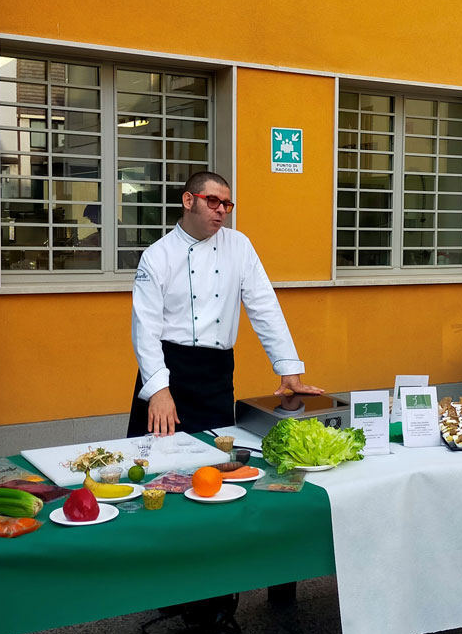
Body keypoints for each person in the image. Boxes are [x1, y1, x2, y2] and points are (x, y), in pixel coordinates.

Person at [128, 171, 324, 436]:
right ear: (188, 201)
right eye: (212, 201)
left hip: (217, 374)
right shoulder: (157, 256)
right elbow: (145, 330)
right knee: (157, 463)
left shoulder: (239, 246)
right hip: (170, 369)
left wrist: (288, 367)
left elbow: (265, 307)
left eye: (226, 205)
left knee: (217, 459)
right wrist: (158, 390)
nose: (221, 210)